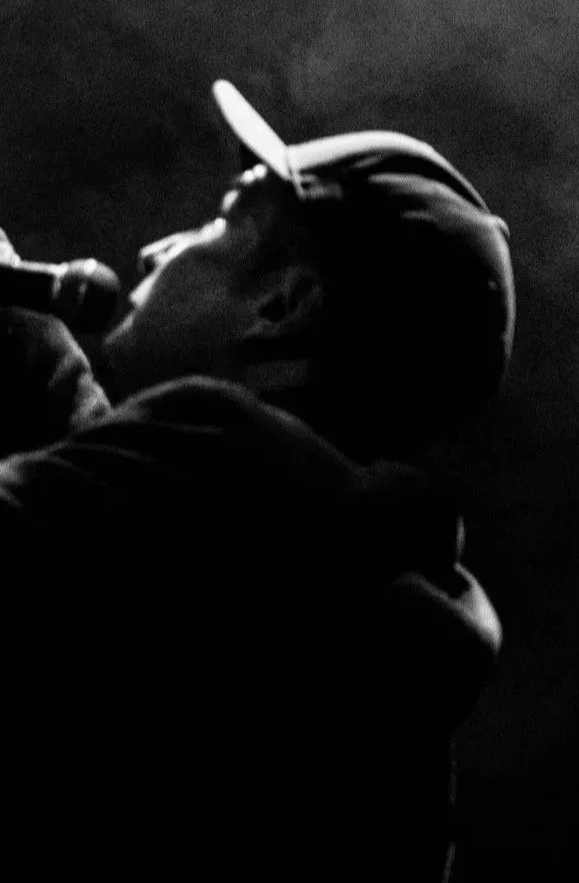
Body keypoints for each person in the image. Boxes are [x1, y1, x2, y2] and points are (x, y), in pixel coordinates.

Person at [0, 78, 516, 877]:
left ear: (284, 305)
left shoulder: (212, 468)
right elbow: (115, 521)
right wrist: (22, 331)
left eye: (219, 223)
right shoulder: (351, 577)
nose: (156, 251)